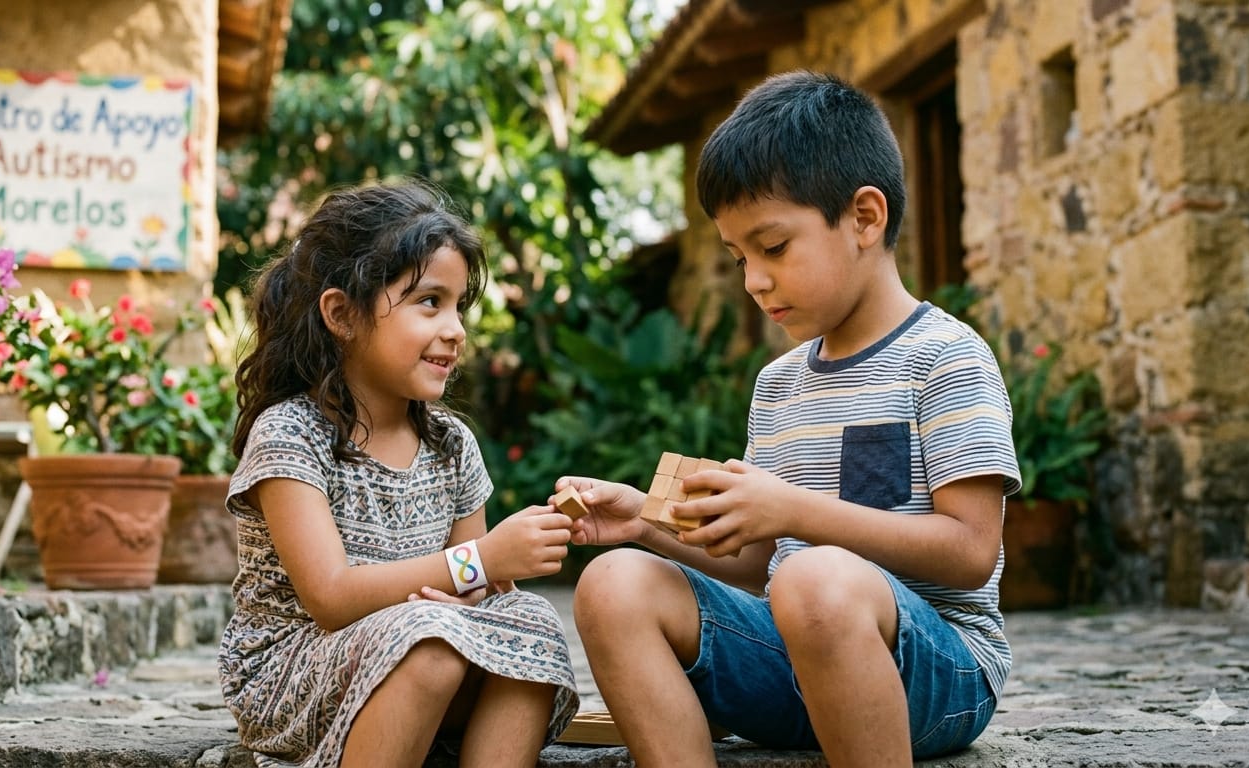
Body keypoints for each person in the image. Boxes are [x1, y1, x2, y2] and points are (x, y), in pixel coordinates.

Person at [561, 70, 1022, 768]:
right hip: (792, 659)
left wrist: (796, 512)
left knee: (817, 581)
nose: (753, 279)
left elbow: (969, 552)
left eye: (773, 248)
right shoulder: (778, 383)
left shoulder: (945, 358)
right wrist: (645, 520)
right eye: (739, 256)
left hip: (937, 673)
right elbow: (760, 560)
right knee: (613, 583)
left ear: (865, 218)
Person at [218, 179, 579, 768]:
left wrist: (489, 579)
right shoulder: (291, 434)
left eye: (459, 305)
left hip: (423, 645)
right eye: (429, 302)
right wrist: (482, 562)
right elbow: (332, 598)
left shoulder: (452, 444)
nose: (456, 329)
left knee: (529, 619)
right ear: (342, 314)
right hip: (294, 673)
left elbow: (474, 592)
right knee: (431, 644)